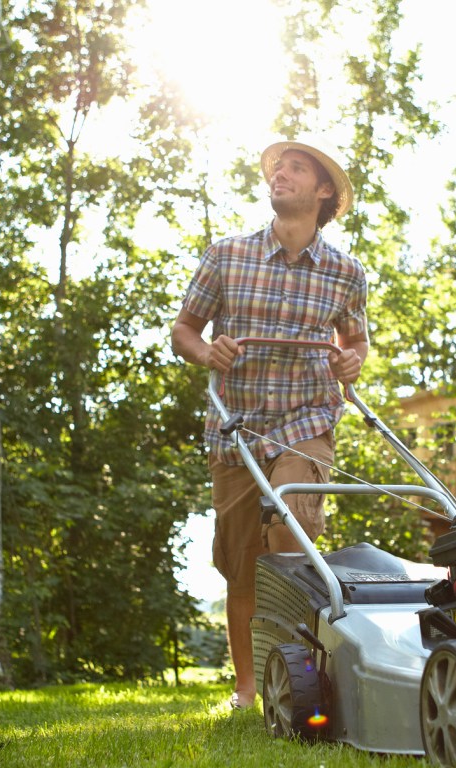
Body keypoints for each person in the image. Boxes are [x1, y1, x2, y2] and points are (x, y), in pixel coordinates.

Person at [171, 138, 369, 709]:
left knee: (288, 520)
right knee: (244, 569)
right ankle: (249, 687)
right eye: (278, 166)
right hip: (236, 427)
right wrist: (207, 353)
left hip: (308, 416)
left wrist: (352, 359)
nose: (280, 172)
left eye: (296, 167)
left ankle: (304, 674)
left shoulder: (346, 273)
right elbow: (183, 330)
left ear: (323, 190)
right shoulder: (226, 255)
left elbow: (355, 341)